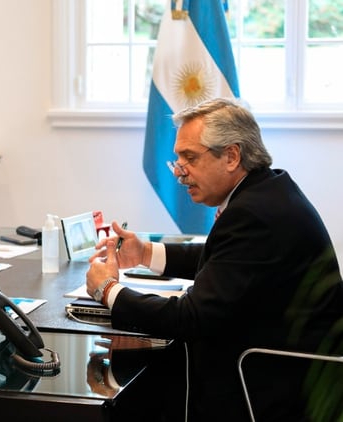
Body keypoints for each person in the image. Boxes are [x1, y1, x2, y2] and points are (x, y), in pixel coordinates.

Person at [86, 98, 343, 421]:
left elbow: (190, 318)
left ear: (232, 156)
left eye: (190, 158)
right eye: (178, 159)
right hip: (288, 366)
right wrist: (146, 253)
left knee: (135, 387)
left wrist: (107, 289)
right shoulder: (268, 190)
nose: (180, 173)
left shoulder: (254, 214)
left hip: (268, 381)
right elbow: (226, 259)